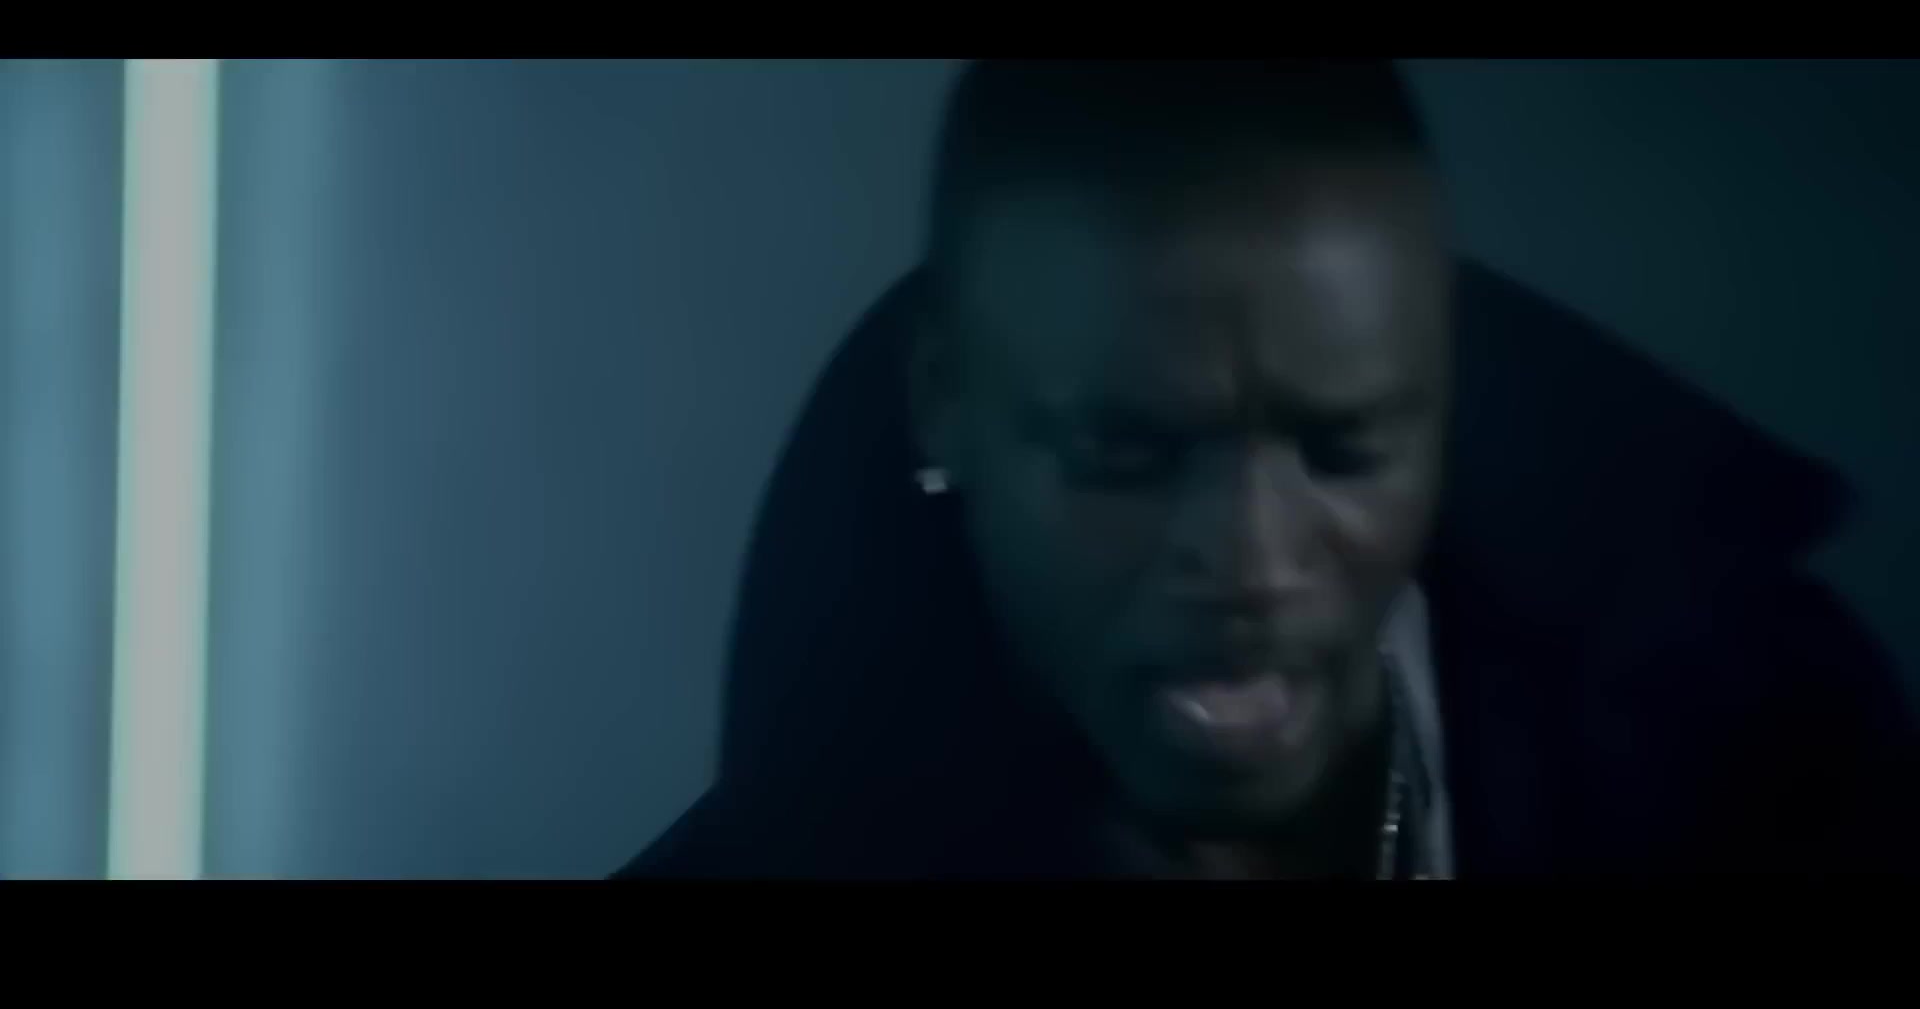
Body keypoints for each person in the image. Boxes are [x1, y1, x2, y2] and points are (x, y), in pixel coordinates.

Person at [618, 60, 1918, 878]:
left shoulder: (1769, 776)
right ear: (943, 407)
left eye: (1347, 451)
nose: (1251, 561)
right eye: (1125, 454)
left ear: (1447, 401)